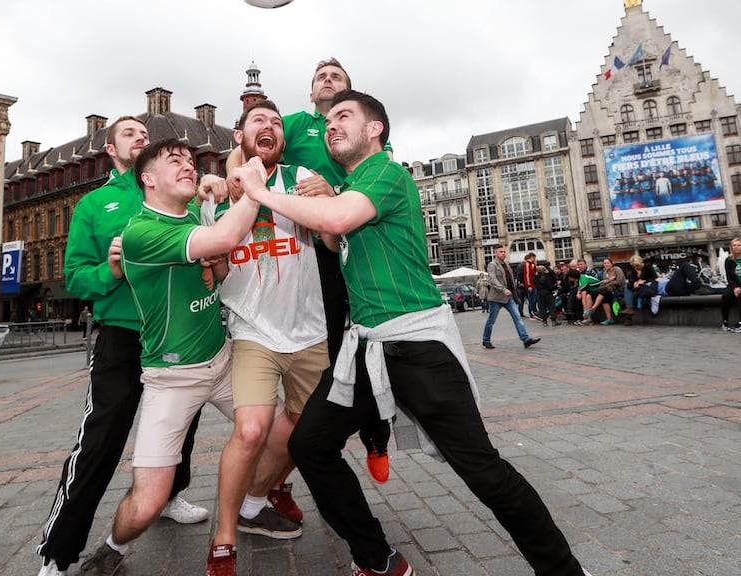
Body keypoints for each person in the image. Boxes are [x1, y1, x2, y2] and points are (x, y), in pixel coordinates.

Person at [239, 90, 590, 576]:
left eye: (345, 116)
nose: (333, 125)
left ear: (375, 129)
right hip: (367, 347)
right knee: (310, 444)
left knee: (482, 470)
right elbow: (333, 233)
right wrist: (317, 204)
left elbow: (339, 220)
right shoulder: (348, 184)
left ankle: (565, 571)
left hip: (418, 345)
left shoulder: (384, 171)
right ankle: (378, 559)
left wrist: (260, 191)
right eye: (330, 119)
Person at [36, 118, 208, 576]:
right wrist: (109, 272)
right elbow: (74, 276)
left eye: (144, 134)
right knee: (100, 439)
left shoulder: (178, 193)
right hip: (122, 334)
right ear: (110, 149)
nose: (142, 138)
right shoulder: (95, 204)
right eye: (131, 134)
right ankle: (59, 550)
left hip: (176, 331)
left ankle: (170, 496)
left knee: (182, 425)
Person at [92, 139, 265, 576]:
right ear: (147, 179)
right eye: (175, 162)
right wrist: (257, 190)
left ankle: (258, 502)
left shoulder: (190, 215)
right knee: (149, 501)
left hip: (221, 360)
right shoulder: (139, 232)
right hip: (172, 376)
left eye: (191, 161)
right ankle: (111, 548)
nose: (188, 166)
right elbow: (226, 235)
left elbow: (220, 270)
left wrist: (212, 188)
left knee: (277, 432)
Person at [225, 57, 392, 496]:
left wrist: (333, 193)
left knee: (369, 347)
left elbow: (373, 181)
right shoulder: (295, 124)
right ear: (311, 91)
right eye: (321, 77)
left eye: (337, 77)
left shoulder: (362, 127)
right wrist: (233, 183)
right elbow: (243, 150)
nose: (329, 81)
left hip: (356, 240)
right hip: (313, 250)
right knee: (333, 363)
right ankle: (280, 479)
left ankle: (377, 436)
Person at [201, 100, 327, 545]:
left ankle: (256, 502)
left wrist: (329, 196)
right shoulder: (216, 197)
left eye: (276, 122)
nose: (270, 126)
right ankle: (224, 536)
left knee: (306, 426)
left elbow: (331, 237)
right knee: (251, 429)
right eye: (259, 121)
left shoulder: (303, 180)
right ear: (239, 135)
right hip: (251, 329)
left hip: (309, 330)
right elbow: (215, 268)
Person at [483, 245, 541, 349]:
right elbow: (492, 279)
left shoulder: (507, 265)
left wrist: (515, 294)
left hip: (509, 297)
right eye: (501, 252)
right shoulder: (492, 265)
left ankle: (525, 339)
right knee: (491, 320)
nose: (503, 254)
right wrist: (503, 289)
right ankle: (486, 340)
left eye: (504, 252)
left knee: (517, 317)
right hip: (497, 298)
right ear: (495, 253)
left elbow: (511, 281)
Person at [515, 251, 537, 319]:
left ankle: (520, 312)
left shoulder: (522, 264)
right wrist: (521, 282)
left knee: (522, 300)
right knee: (530, 299)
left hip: (523, 284)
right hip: (524, 285)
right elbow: (524, 275)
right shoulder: (525, 265)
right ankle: (532, 312)